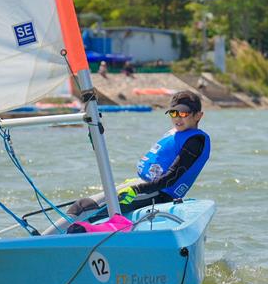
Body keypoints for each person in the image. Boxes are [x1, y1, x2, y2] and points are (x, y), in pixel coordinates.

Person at [57, 90, 210, 233]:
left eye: (183, 113)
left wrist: (137, 189)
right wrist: (137, 184)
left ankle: (53, 243)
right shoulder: (177, 133)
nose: (177, 118)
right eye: (173, 113)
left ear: (198, 115)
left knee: (86, 209)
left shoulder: (195, 141)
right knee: (81, 206)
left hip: (157, 193)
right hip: (146, 186)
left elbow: (170, 178)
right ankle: (48, 240)